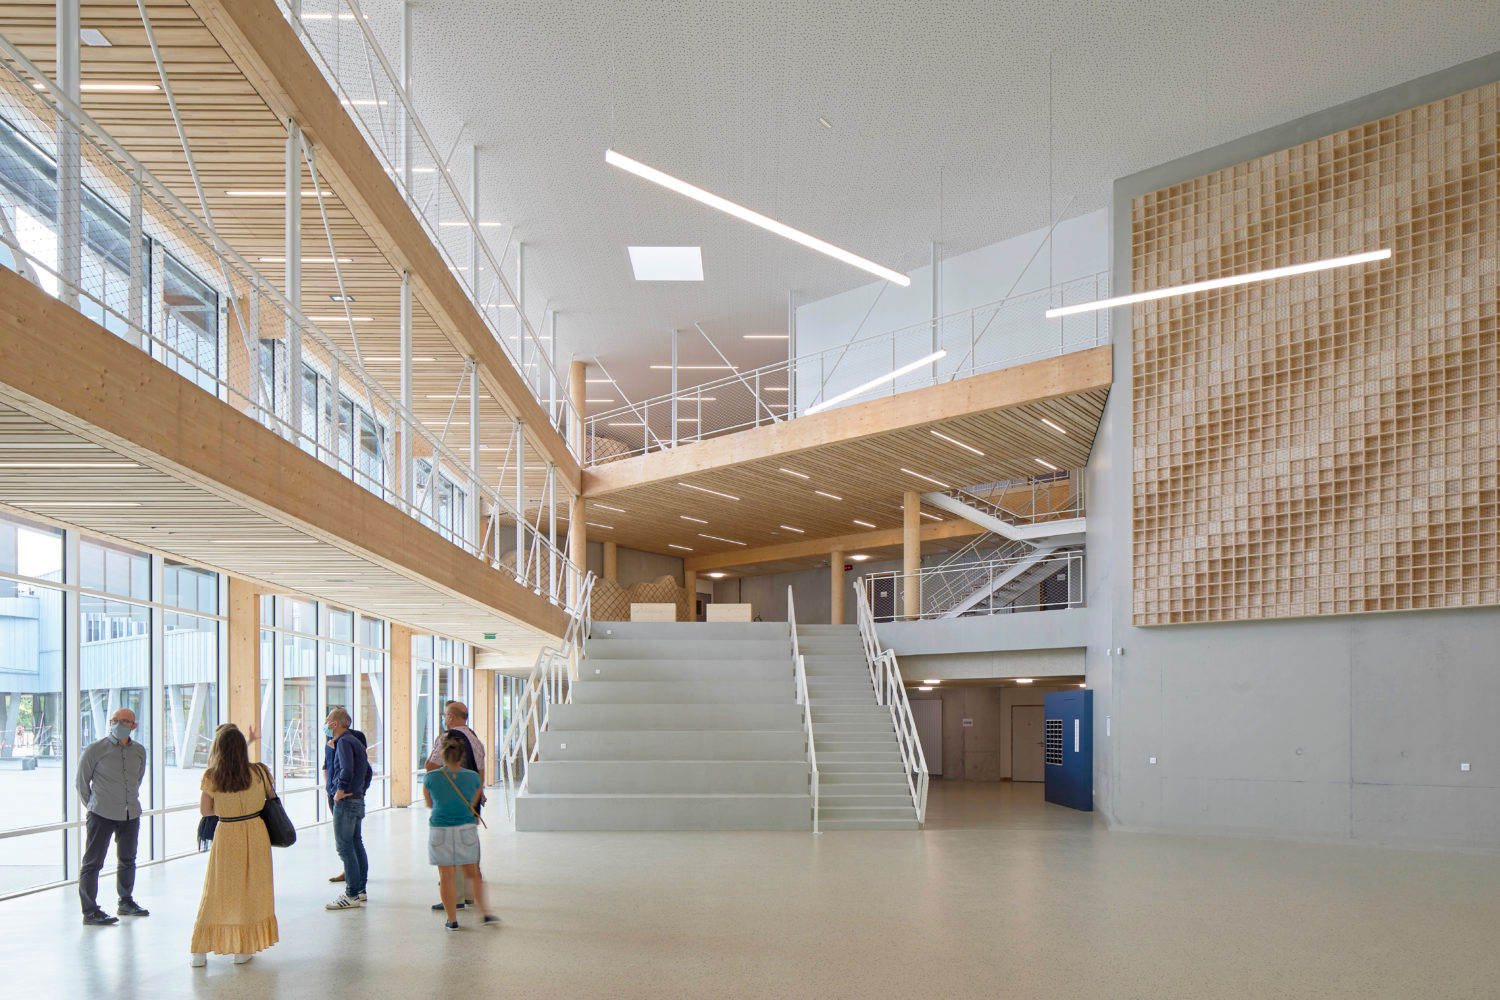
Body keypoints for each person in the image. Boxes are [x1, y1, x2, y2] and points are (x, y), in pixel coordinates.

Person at [190, 724, 277, 967]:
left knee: (218, 889)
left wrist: (227, 808)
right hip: (256, 831)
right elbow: (271, 798)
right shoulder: (259, 772)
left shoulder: (212, 776)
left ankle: (199, 952)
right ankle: (243, 949)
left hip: (227, 833)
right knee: (252, 889)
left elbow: (205, 810)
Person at [75, 707, 148, 925]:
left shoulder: (139, 751)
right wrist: (94, 805)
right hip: (101, 814)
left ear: (134, 726)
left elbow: (137, 779)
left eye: (124, 721)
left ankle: (125, 901)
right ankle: (90, 911)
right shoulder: (95, 750)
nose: (118, 724)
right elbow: (81, 783)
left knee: (128, 859)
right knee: (93, 862)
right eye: (115, 720)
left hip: (130, 813)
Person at [422, 732, 497, 931]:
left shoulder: (430, 778)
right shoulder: (473, 777)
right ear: (463, 755)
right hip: (466, 829)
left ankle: (452, 920)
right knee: (474, 874)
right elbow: (472, 803)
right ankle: (485, 912)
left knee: (446, 877)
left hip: (440, 829)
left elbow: (430, 804)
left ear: (442, 755)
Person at [424, 700, 485, 912]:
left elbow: (431, 767)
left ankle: (455, 898)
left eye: (445, 715)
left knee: (450, 851)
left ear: (451, 717)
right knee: (468, 846)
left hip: (449, 803)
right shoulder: (475, 739)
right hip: (471, 801)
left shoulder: (447, 738)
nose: (444, 719)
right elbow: (481, 772)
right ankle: (469, 894)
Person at [325, 707, 371, 911]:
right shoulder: (355, 742)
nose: (326, 724)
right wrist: (359, 790)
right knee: (356, 843)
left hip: (346, 801)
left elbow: (346, 769)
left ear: (335, 723)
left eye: (328, 721)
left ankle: (351, 894)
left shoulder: (344, 742)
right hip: (357, 799)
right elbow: (367, 771)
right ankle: (360, 889)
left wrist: (340, 791)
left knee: (344, 847)